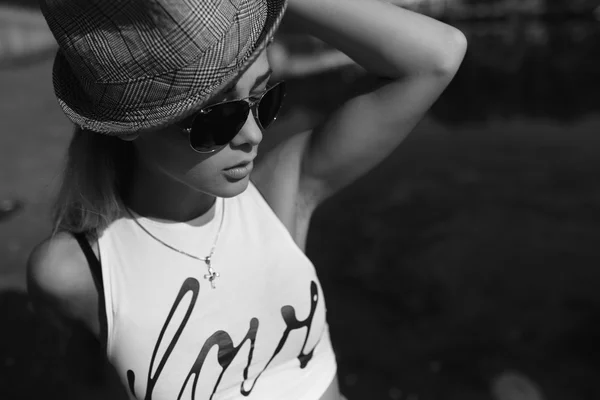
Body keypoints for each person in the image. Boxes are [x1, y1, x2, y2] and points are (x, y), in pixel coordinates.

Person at [26, 0, 467, 399]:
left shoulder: (279, 195)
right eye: (216, 119)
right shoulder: (74, 274)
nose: (254, 134)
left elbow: (438, 56)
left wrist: (257, 5)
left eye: (263, 98)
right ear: (127, 124)